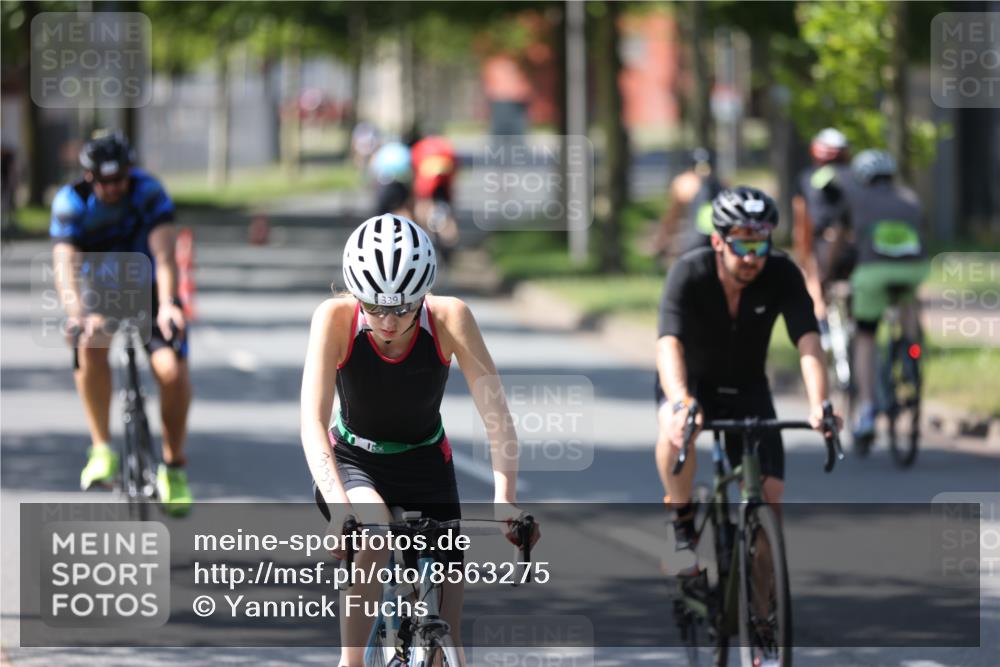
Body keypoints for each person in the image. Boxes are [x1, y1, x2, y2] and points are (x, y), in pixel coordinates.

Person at [300, 214, 539, 665]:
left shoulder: (451, 318)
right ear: (356, 294)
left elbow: (497, 417)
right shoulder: (333, 318)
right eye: (375, 307)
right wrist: (339, 512)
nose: (389, 321)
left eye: (404, 308)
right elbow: (311, 422)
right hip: (355, 460)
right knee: (372, 533)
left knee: (449, 641)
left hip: (426, 465)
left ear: (424, 294)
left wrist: (505, 499)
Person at [654, 186, 839, 548]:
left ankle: (764, 600)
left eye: (761, 244)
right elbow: (668, 343)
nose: (752, 258)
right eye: (742, 244)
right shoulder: (689, 272)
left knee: (769, 499)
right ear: (718, 241)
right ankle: (681, 525)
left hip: (748, 386)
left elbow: (809, 341)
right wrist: (679, 400)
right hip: (691, 382)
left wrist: (820, 403)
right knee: (676, 432)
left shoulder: (782, 273)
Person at [50, 129, 193, 516]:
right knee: (89, 344)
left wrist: (168, 304)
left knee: (171, 371)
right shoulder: (71, 202)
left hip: (148, 291)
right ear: (89, 176)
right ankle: (101, 450)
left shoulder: (149, 191)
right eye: (105, 181)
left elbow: (164, 254)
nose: (113, 188)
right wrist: (76, 314)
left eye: (120, 179)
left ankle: (174, 468)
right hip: (100, 295)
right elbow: (66, 265)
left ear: (131, 172)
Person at [843, 150, 929, 444]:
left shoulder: (857, 199)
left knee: (866, 337)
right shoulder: (910, 198)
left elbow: (846, 240)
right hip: (912, 271)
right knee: (907, 306)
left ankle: (867, 409)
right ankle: (912, 353)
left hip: (873, 273)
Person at [792, 128, 854, 326]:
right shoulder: (855, 178)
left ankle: (820, 322)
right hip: (852, 244)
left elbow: (801, 219)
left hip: (822, 245)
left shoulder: (806, 178)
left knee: (813, 278)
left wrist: (803, 253)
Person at [652, 147, 725, 260]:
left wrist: (663, 239)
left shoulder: (685, 183)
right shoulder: (688, 184)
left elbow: (673, 215)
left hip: (700, 240)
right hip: (699, 239)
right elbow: (673, 215)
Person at [410, 134, 460, 262]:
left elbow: (415, 168)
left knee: (424, 210)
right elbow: (455, 166)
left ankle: (423, 241)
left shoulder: (421, 147)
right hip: (443, 185)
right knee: (446, 217)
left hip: (428, 185)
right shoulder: (445, 147)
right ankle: (448, 246)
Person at [369, 140, 414, 218]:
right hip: (400, 185)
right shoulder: (403, 150)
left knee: (380, 215)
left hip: (384, 185)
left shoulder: (382, 151)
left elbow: (374, 169)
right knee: (403, 209)